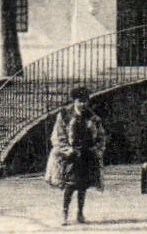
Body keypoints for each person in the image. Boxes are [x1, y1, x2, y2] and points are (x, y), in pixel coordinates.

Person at [46, 86, 107, 225]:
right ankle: (65, 213)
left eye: (85, 101)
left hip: (86, 155)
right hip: (71, 156)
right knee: (70, 185)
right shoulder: (64, 115)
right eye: (80, 101)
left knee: (83, 186)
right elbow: (59, 136)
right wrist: (68, 150)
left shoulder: (93, 117)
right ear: (74, 101)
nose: (83, 104)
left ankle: (80, 212)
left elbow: (101, 136)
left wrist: (95, 150)